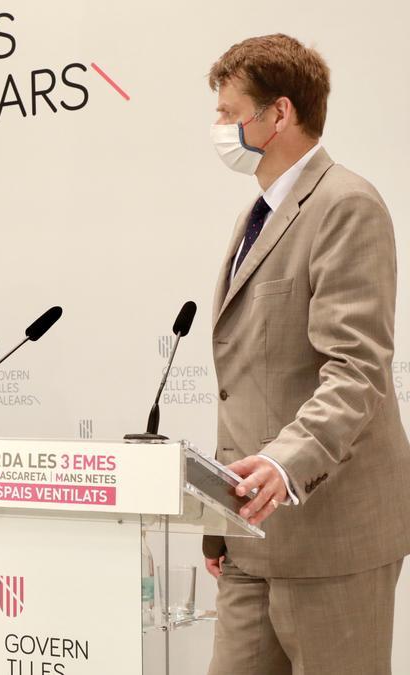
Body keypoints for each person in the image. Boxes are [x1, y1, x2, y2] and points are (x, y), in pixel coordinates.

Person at [201, 34, 410, 674]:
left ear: (279, 114)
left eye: (230, 114)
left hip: (331, 534)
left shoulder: (346, 204)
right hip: (249, 534)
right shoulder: (255, 216)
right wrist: (218, 512)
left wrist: (286, 468)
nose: (219, 128)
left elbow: (356, 369)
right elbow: (251, 381)